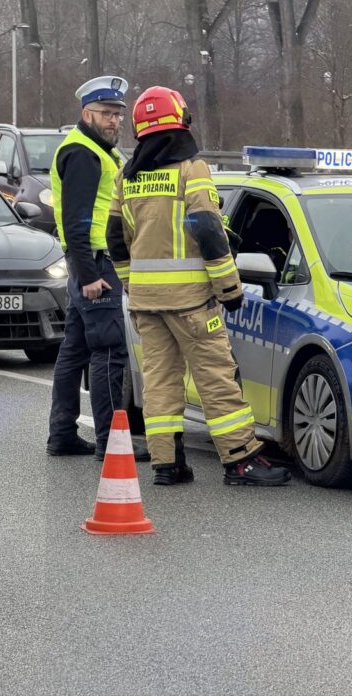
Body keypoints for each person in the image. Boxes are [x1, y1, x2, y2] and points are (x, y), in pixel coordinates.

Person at [107, 85, 290, 486]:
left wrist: (131, 284)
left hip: (146, 303)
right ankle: (240, 460)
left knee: (159, 381)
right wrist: (229, 288)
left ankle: (167, 464)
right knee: (216, 377)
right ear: (181, 122)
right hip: (191, 302)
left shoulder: (126, 177)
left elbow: (115, 239)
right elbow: (208, 229)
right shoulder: (192, 170)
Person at [46, 75, 147, 461]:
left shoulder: (98, 151)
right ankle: (111, 441)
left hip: (91, 262)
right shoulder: (83, 154)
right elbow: (76, 221)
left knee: (75, 350)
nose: (114, 121)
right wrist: (88, 275)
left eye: (118, 114)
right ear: (86, 114)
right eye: (106, 113)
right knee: (109, 351)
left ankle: (62, 434)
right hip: (96, 264)